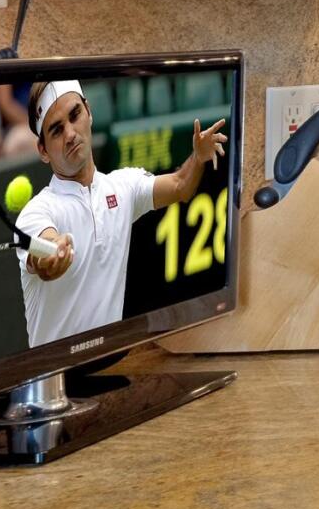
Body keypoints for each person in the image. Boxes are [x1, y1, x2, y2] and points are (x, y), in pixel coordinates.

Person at [14, 79, 228, 347]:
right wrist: (52, 252)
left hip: (109, 363)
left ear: (89, 113)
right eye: (56, 130)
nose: (70, 134)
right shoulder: (36, 212)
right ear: (43, 150)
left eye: (75, 115)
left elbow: (180, 186)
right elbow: (42, 254)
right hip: (52, 381)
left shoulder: (123, 186)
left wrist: (198, 158)